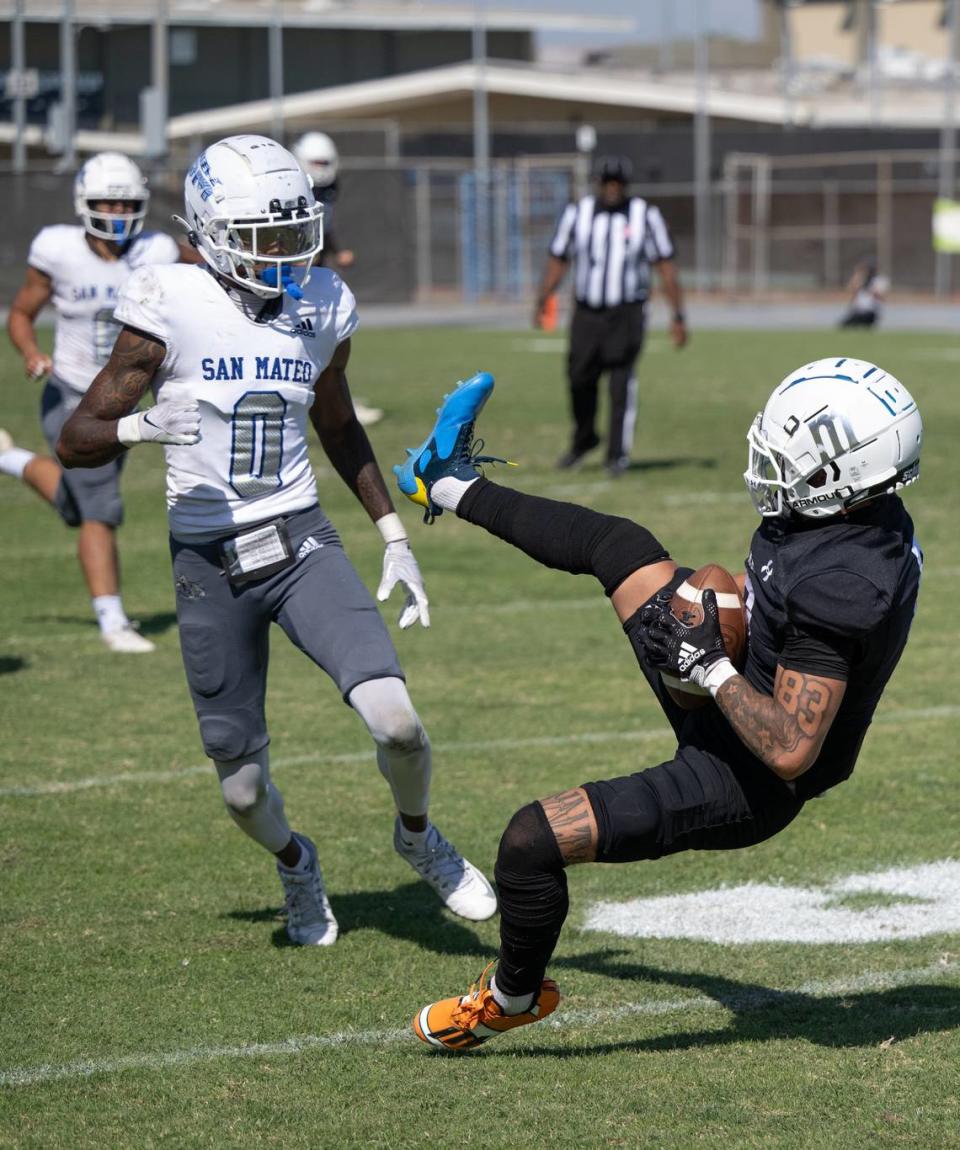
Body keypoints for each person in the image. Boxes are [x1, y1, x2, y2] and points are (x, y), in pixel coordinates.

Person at [394, 357, 923, 1050]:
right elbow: (780, 602)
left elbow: (792, 750)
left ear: (840, 476)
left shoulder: (846, 583)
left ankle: (512, 998)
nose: (768, 468)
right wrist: (719, 615)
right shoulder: (855, 508)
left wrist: (705, 662)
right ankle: (447, 479)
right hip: (726, 680)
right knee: (620, 547)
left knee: (529, 841)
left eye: (789, 460)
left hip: (748, 773)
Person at [57, 134, 496, 946]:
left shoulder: (323, 301)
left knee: (396, 720)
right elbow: (75, 436)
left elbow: (337, 424)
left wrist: (393, 533)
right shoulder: (169, 300)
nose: (287, 253)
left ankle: (418, 835)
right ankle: (297, 864)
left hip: (299, 540)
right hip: (207, 561)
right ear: (210, 230)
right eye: (265, 237)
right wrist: (142, 424)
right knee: (242, 792)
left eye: (295, 233)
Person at [1, 151, 201, 652]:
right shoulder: (57, 249)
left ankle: (7, 457)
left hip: (124, 396)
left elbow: (212, 270)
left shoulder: (158, 250)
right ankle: (113, 620)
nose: (115, 212)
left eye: (125, 202)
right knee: (100, 508)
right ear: (84, 204)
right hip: (70, 395)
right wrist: (30, 353)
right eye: (105, 202)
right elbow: (22, 313)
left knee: (79, 503)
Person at [534, 155, 687, 477]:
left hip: (626, 312)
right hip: (587, 312)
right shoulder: (578, 213)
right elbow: (559, 258)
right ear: (598, 184)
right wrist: (542, 297)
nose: (612, 188)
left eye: (618, 183)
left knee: (620, 383)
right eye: (607, 182)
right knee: (578, 378)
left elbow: (665, 266)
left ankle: (617, 455)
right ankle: (584, 438)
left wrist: (678, 315)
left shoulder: (646, 215)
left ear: (626, 185)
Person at [293, 131, 382, 428]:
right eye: (315, 162)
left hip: (314, 272)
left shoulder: (330, 187)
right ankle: (319, 400)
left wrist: (335, 249)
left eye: (324, 162)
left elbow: (322, 226)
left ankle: (332, 398)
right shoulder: (290, 186)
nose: (321, 168)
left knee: (326, 335)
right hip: (288, 275)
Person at [839, 258, 888, 328]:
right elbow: (851, 289)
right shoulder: (862, 280)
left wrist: (871, 289)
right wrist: (857, 274)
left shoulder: (879, 280)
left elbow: (881, 297)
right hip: (858, 311)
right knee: (844, 325)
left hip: (870, 312)